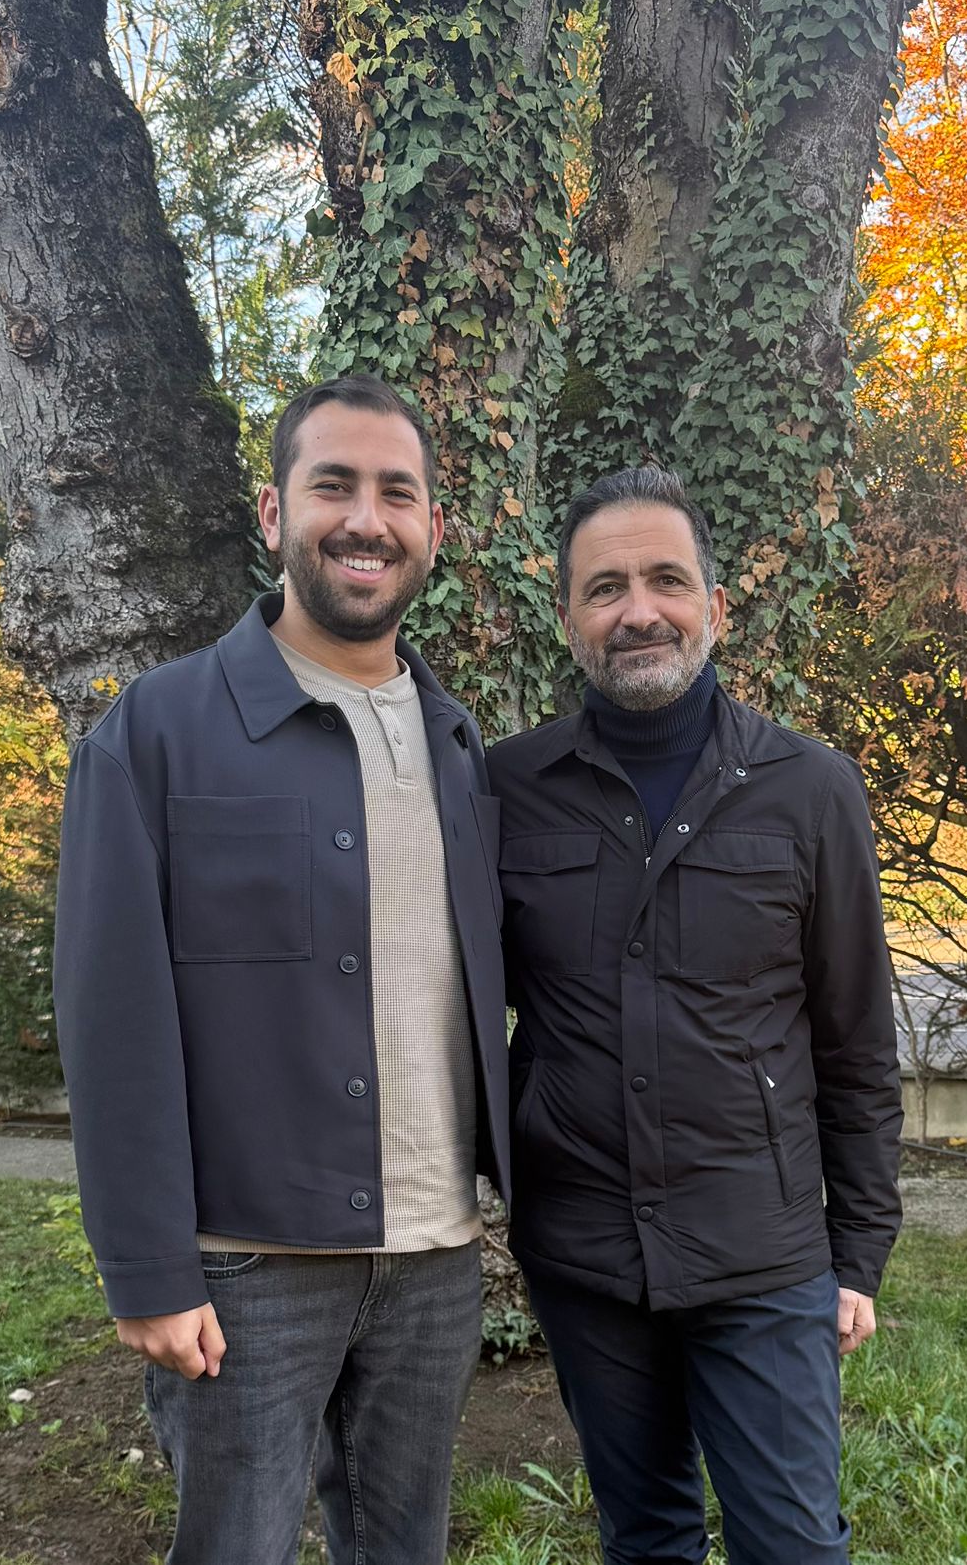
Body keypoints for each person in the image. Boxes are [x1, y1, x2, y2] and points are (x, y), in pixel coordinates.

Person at [53, 373, 509, 1565]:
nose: (366, 519)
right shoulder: (154, 734)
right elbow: (110, 1020)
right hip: (246, 1266)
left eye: (395, 493)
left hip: (435, 1256)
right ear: (273, 513)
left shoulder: (458, 745)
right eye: (332, 486)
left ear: (431, 529)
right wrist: (147, 1268)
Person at [488, 464, 902, 1565]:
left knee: (793, 1545)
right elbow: (460, 1011)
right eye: (605, 587)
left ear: (713, 604)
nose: (638, 611)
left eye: (666, 580)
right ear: (567, 616)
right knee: (645, 1538)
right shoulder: (504, 790)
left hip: (762, 1249)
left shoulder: (810, 789)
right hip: (583, 1251)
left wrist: (857, 1251)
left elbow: (856, 1038)